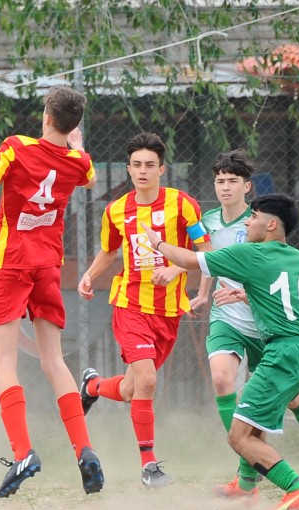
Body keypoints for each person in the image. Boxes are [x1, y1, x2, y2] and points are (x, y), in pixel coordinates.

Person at [0, 86, 104, 499]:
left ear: (46, 117)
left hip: (10, 263)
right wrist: (77, 142)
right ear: (73, 124)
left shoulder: (13, 147)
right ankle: (85, 450)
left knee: (4, 359)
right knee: (54, 361)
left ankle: (24, 452)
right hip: (48, 265)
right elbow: (89, 174)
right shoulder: (79, 163)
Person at [141, 193, 299, 510]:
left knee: (238, 437)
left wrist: (157, 243)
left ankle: (297, 488)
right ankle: (244, 487)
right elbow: (283, 299)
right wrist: (246, 293)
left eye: (253, 217)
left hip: (283, 353)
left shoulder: (251, 255)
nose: (248, 221)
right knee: (252, 428)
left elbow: (188, 261)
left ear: (270, 224)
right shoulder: (297, 258)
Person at [192, 151, 299, 505]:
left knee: (285, 399)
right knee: (224, 380)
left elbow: (200, 260)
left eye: (232, 181)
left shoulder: (259, 226)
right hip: (230, 317)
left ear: (246, 187)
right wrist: (205, 293)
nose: (225, 187)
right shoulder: (209, 221)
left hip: (268, 328)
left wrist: (161, 249)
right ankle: (246, 480)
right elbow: (204, 258)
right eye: (220, 181)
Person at [77, 132, 211, 488]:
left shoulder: (183, 205)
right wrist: (89, 276)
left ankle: (92, 387)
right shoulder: (116, 209)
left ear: (162, 169)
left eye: (150, 165)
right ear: (128, 169)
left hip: (168, 311)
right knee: (149, 381)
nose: (142, 171)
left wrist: (178, 269)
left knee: (131, 389)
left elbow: (205, 251)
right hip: (130, 304)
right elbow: (109, 250)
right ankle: (149, 466)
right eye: (136, 165)